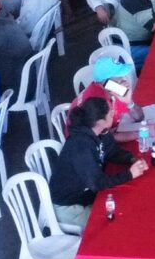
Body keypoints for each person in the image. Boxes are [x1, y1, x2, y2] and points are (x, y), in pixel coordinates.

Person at [50, 97, 143, 233]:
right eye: (111, 112)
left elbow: (111, 150)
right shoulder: (81, 147)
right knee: (112, 225)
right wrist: (129, 174)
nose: (114, 113)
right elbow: (98, 183)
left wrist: (131, 159)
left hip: (85, 194)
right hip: (69, 205)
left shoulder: (99, 131)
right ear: (101, 121)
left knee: (127, 205)